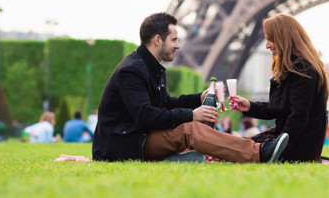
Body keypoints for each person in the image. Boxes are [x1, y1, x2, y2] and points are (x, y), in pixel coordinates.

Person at [92, 12, 288, 163]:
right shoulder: (132, 71)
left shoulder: (148, 66)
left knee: (192, 125)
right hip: (123, 145)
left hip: (136, 138)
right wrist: (192, 115)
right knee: (190, 129)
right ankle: (258, 153)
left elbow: (166, 103)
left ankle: (178, 157)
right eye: (174, 39)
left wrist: (198, 99)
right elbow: (145, 115)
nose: (178, 45)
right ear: (157, 40)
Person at [229, 14, 329, 162]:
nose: (267, 45)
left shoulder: (302, 68)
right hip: (295, 143)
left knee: (235, 147)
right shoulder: (297, 67)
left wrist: (277, 150)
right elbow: (276, 109)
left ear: (284, 38)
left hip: (295, 147)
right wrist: (249, 106)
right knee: (238, 145)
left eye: (271, 39)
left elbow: (298, 116)